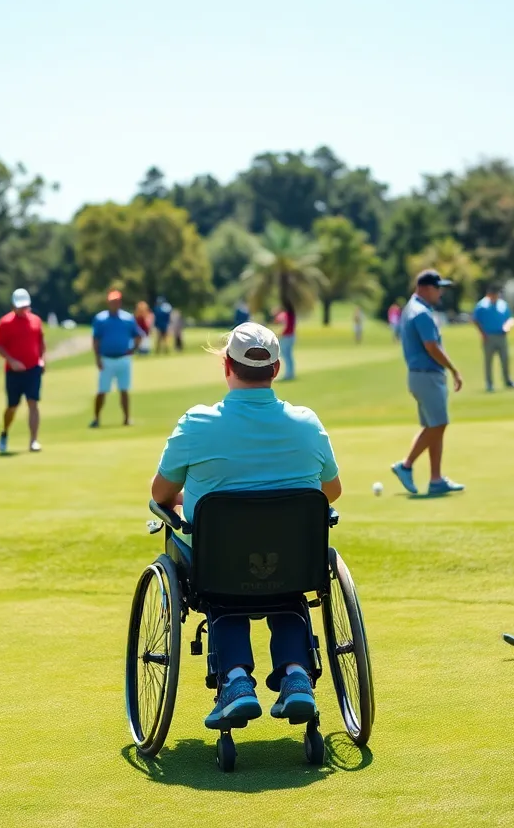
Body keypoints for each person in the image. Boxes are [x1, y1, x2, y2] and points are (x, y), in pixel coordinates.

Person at [150, 322, 342, 730]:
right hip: (293, 563)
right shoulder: (308, 423)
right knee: (286, 586)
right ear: (275, 369)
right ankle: (295, 677)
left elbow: (161, 493)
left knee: (222, 580)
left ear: (226, 366)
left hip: (219, 565)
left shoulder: (196, 424)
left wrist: (186, 500)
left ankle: (236, 682)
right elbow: (332, 491)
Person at [390, 271, 465, 496]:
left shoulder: (412, 308)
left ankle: (436, 479)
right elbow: (431, 346)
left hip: (419, 375)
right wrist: (453, 369)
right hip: (427, 375)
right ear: (424, 288)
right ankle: (405, 465)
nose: (439, 292)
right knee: (438, 425)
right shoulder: (421, 312)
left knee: (434, 427)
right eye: (437, 287)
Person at [0, 288, 46, 454]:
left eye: (25, 306)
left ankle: (33, 440)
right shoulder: (5, 322)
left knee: (33, 403)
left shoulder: (36, 321)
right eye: (19, 306)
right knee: (12, 406)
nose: (22, 309)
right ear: (13, 306)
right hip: (13, 371)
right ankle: (5, 432)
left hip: (33, 369)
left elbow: (41, 341)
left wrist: (42, 359)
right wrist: (11, 360)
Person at [91, 290, 145, 427]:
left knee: (124, 390)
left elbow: (138, 335)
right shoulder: (100, 319)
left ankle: (126, 419)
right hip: (106, 359)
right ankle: (96, 419)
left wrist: (133, 350)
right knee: (102, 390)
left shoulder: (128, 318)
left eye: (115, 301)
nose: (113, 304)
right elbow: (96, 339)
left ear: (119, 302)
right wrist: (97, 358)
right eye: (111, 302)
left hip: (123, 358)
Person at [471, 284, 514, 391]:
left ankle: (507, 381)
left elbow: (510, 318)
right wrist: (482, 333)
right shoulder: (481, 305)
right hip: (488, 336)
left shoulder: (503, 304)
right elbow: (475, 320)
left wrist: (508, 326)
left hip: (501, 335)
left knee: (505, 359)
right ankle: (489, 384)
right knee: (488, 361)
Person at [276, 301, 297, 380]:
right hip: (291, 336)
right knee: (288, 356)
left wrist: (280, 334)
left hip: (286, 337)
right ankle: (290, 373)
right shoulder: (292, 314)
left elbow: (285, 326)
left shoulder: (287, 315)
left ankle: (288, 374)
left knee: (286, 356)